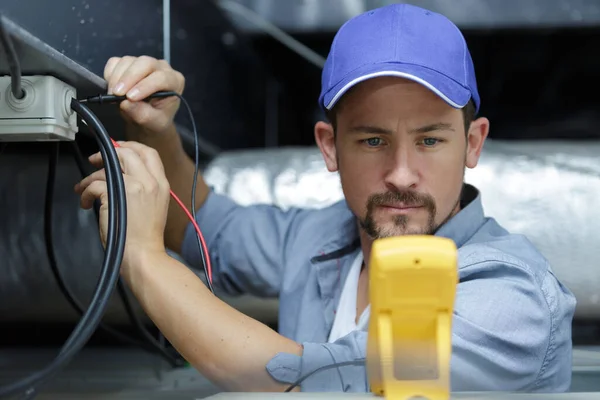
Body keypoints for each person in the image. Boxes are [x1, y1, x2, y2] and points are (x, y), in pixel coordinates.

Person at [75, 3, 577, 393]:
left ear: (472, 143)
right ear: (330, 146)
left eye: (430, 140)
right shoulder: (320, 238)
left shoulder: (511, 295)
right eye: (373, 140)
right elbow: (205, 225)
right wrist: (158, 131)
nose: (402, 174)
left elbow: (316, 387)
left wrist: (140, 256)